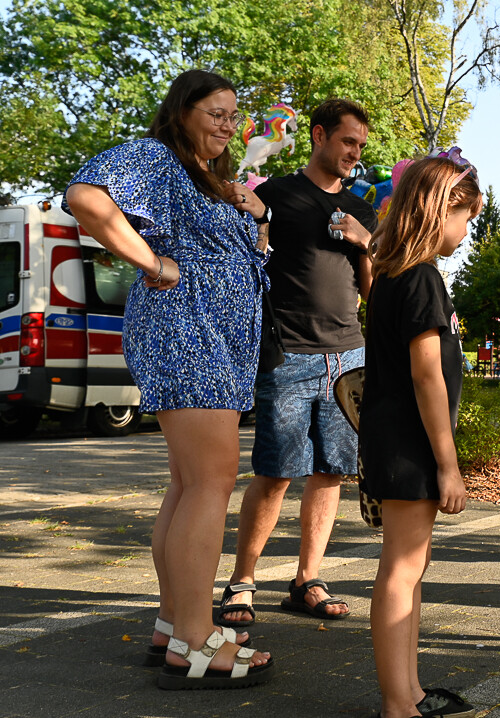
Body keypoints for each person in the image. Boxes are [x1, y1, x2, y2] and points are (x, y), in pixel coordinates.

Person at [65, 69, 273, 688]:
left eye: (233, 115)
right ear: (182, 110)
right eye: (215, 112)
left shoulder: (204, 178)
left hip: (213, 340)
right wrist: (152, 261)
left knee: (190, 484)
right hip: (189, 334)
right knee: (210, 482)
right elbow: (87, 198)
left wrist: (252, 218)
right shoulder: (156, 156)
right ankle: (196, 640)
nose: (228, 125)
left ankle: (173, 624)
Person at [218, 99, 376, 628]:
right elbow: (246, 253)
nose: (354, 152)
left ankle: (308, 578)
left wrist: (365, 242)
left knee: (332, 471)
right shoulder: (277, 195)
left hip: (349, 353)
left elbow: (371, 290)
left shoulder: (361, 208)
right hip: (289, 352)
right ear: (318, 135)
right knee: (276, 472)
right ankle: (241, 581)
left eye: (360, 144)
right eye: (347, 141)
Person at [357, 150, 481, 718]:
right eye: (466, 219)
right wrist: (448, 464)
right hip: (409, 443)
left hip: (393, 436)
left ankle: (408, 691)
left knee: (411, 569)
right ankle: (396, 703)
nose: (466, 231)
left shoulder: (391, 276)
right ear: (440, 211)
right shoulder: (424, 278)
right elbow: (427, 374)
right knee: (402, 570)